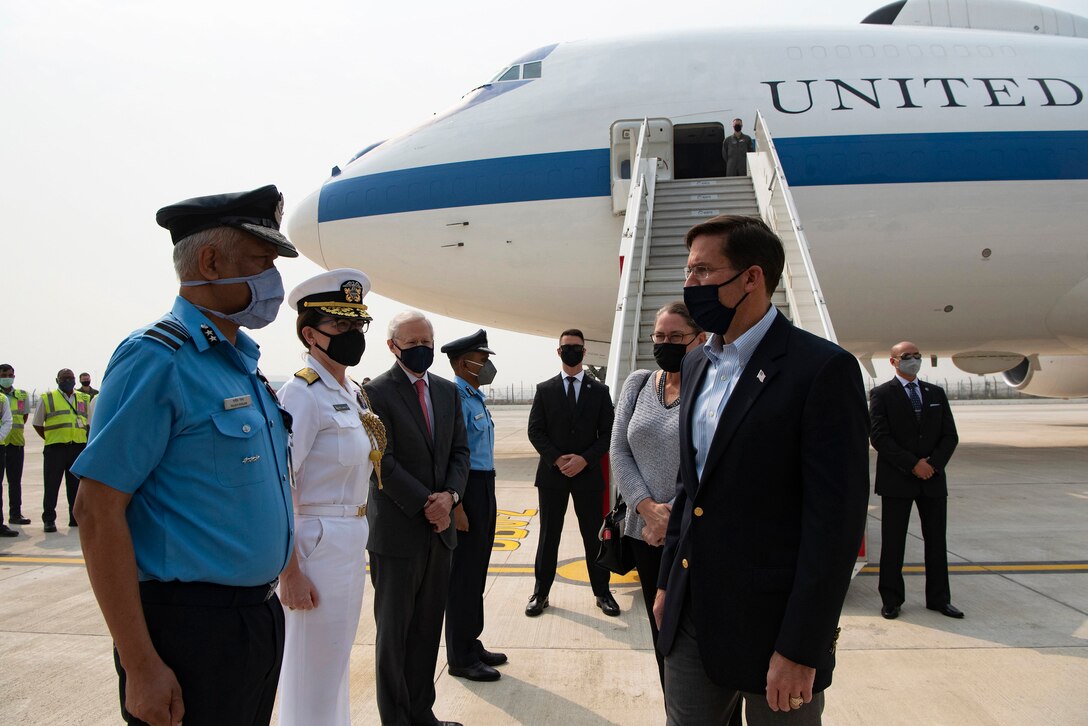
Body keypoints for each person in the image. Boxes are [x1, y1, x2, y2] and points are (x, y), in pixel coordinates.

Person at [70, 184, 298, 726]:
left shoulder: (239, 363)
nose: (273, 281)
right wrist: (141, 665)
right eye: (260, 262)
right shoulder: (157, 359)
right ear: (211, 262)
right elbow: (97, 512)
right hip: (189, 632)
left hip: (255, 620)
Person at [654, 215, 869, 725]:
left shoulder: (821, 369)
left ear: (752, 277)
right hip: (690, 616)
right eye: (688, 271)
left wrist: (802, 647)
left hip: (776, 629)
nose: (691, 285)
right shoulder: (695, 364)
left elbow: (834, 526)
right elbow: (691, 488)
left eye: (704, 271)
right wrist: (666, 584)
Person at [276, 269, 384, 725]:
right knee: (310, 663)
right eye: (341, 326)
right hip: (315, 539)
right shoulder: (302, 393)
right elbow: (281, 486)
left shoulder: (352, 392)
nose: (353, 335)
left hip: (348, 533)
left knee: (334, 657)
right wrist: (290, 572)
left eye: (358, 326)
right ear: (310, 334)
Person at [364, 310, 470, 726]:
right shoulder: (375, 393)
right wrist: (430, 502)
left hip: (440, 533)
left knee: (427, 631)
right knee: (394, 637)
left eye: (427, 341)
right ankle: (396, 720)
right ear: (393, 347)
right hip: (398, 532)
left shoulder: (447, 391)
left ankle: (422, 714)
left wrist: (450, 497)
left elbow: (459, 452)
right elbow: (382, 462)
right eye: (412, 344)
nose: (423, 349)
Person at [609, 302, 705, 689]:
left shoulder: (709, 386)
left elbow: (710, 461)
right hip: (644, 532)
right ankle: (676, 711)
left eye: (676, 337)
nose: (666, 344)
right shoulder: (638, 383)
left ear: (699, 339)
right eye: (659, 337)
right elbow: (619, 450)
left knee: (696, 640)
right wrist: (648, 510)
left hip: (691, 534)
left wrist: (672, 519)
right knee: (661, 633)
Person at [525, 329, 617, 617]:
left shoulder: (600, 392)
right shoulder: (545, 389)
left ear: (584, 352)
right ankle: (540, 593)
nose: (572, 351)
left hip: (587, 475)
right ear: (558, 351)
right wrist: (557, 459)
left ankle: (602, 592)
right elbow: (535, 431)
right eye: (566, 347)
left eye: (576, 347)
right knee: (549, 535)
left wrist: (584, 460)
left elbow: (608, 433)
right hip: (553, 476)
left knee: (594, 536)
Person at [870, 341, 963, 620]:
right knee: (893, 542)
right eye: (906, 356)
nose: (913, 360)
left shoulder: (935, 393)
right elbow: (879, 437)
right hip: (898, 479)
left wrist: (931, 465)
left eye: (916, 356)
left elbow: (950, 435)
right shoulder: (881, 394)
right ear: (893, 361)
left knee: (936, 541)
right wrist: (913, 464)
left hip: (932, 479)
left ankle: (939, 599)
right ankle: (891, 599)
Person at [441, 329, 507, 682]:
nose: (487, 366)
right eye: (482, 360)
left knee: (477, 569)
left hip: (485, 485)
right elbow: (453, 456)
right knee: (463, 575)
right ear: (462, 363)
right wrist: (458, 505)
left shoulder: (475, 396)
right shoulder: (454, 397)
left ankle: (471, 641)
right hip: (468, 489)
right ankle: (460, 656)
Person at [32, 368, 91, 532]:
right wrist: (52, 437)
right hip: (55, 449)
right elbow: (37, 423)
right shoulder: (47, 398)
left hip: (77, 447)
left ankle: (75, 518)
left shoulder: (84, 398)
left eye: (71, 378)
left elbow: (89, 422)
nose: (68, 381)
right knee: (51, 485)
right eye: (64, 378)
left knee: (76, 486)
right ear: (57, 380)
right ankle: (49, 520)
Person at [0, 364, 31, 529]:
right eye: (4, 374)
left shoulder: (21, 395)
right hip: (1, 444)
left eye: (10, 374)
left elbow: (24, 417)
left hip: (16, 443)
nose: (7, 377)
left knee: (15, 481)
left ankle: (15, 514)